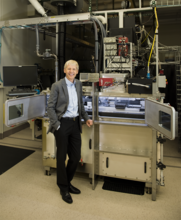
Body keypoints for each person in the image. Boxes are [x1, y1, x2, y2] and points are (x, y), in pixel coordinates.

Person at [47, 60, 93, 204]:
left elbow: (80, 104)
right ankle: (63, 188)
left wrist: (86, 118)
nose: (71, 71)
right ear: (64, 70)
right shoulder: (57, 86)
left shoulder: (78, 84)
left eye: (74, 69)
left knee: (75, 156)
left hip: (75, 123)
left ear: (77, 71)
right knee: (61, 157)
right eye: (69, 69)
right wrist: (57, 125)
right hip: (62, 124)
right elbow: (50, 108)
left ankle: (67, 182)